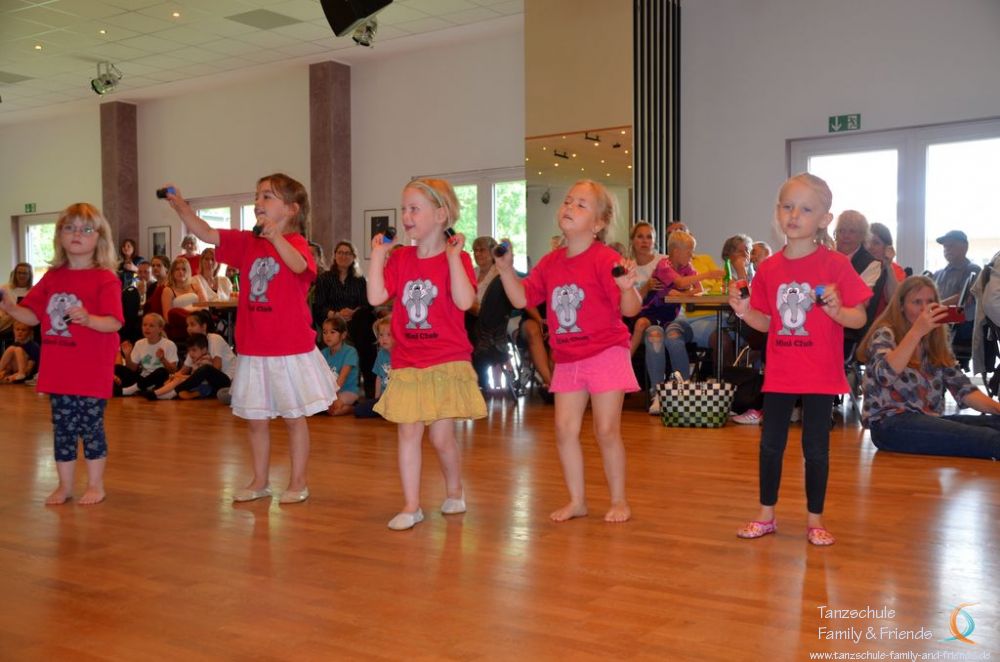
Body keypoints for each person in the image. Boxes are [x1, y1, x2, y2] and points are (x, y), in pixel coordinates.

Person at [163, 173, 336, 504]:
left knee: (294, 418)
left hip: (288, 349)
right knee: (256, 420)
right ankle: (259, 481)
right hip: (255, 348)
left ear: (291, 208)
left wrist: (275, 238)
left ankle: (298, 482)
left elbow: (299, 266)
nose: (258, 202)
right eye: (257, 196)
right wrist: (182, 208)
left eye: (267, 196)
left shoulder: (297, 244)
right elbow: (207, 233)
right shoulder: (247, 242)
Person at [729, 173, 870, 546]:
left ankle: (815, 519)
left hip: (821, 373)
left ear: (824, 219)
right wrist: (744, 311)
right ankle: (766, 514)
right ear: (778, 212)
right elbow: (767, 322)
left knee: (816, 448)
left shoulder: (835, 264)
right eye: (788, 206)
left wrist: (838, 311)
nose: (794, 215)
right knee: (770, 445)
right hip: (780, 371)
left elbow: (859, 318)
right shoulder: (769, 268)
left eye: (806, 209)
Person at [496, 179, 641, 523]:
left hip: (606, 352)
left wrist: (627, 288)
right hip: (569, 358)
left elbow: (631, 310)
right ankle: (578, 501)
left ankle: (619, 500)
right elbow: (522, 298)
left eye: (581, 204)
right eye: (568, 201)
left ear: (599, 223)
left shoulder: (605, 259)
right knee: (564, 430)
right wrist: (504, 270)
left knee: (606, 430)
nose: (569, 207)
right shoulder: (550, 263)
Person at [367, 177, 487, 530]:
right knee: (408, 433)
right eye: (404, 209)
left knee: (440, 437)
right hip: (407, 360)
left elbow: (465, 301)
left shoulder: (458, 258)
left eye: (414, 209)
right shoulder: (401, 258)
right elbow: (376, 297)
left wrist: (452, 259)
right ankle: (411, 505)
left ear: (440, 214)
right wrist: (379, 255)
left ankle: (455, 489)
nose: (406, 216)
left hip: (446, 359)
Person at [0, 203, 123, 505]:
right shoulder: (53, 277)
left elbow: (114, 322)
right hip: (59, 370)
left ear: (99, 238)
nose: (77, 234)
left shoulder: (105, 278)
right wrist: (11, 307)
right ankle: (65, 486)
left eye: (86, 229)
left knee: (91, 427)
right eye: (70, 228)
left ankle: (95, 485)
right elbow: (32, 315)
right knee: (63, 429)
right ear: (60, 236)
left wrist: (88, 319)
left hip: (91, 370)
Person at [857, 275, 1000, 459]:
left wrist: (997, 408)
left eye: (930, 302)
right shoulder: (885, 334)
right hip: (889, 424)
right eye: (917, 302)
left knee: (995, 424)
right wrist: (916, 332)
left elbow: (963, 389)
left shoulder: (934, 340)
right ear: (901, 307)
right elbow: (885, 375)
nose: (925, 309)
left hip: (926, 419)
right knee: (988, 438)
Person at [313, 241, 377, 399]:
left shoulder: (359, 280)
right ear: (335, 256)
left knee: (365, 320)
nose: (343, 256)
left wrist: (353, 312)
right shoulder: (325, 278)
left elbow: (367, 304)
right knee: (354, 329)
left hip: (356, 322)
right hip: (333, 322)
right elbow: (319, 306)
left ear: (353, 257)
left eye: (347, 253)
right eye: (340, 252)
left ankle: (370, 388)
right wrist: (336, 314)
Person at [661, 230, 726, 380]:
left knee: (726, 334)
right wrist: (707, 275)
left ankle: (716, 382)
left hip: (687, 316)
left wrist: (683, 294)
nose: (692, 255)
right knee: (674, 336)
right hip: (668, 317)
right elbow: (680, 283)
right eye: (689, 251)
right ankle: (683, 382)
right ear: (676, 251)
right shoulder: (664, 265)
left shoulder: (688, 267)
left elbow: (699, 289)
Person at [148, 309, 235, 400]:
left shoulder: (214, 338)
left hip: (228, 381)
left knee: (206, 369)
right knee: (177, 378)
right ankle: (160, 392)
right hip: (210, 383)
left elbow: (217, 367)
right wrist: (173, 377)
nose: (189, 328)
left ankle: (172, 393)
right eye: (188, 325)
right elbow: (183, 370)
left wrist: (189, 377)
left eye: (192, 325)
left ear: (204, 326)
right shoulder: (195, 345)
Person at [932, 229, 980, 347]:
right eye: (945, 247)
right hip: (941, 319)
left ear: (965, 247)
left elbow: (964, 298)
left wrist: (935, 306)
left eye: (951, 246)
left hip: (961, 323)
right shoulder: (938, 273)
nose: (947, 249)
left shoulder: (973, 269)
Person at [626, 221, 667, 355]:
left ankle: (625, 361)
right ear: (632, 241)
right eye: (640, 236)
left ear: (654, 241)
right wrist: (645, 288)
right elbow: (627, 304)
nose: (644, 241)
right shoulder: (628, 267)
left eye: (649, 237)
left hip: (663, 314)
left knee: (652, 333)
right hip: (636, 316)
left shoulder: (664, 261)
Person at [115, 312, 178, 395]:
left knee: (162, 372)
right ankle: (143, 388)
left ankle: (134, 389)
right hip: (142, 378)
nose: (147, 328)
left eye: (151, 326)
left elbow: (173, 370)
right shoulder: (139, 343)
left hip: (159, 379)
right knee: (117, 368)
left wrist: (163, 359)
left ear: (160, 329)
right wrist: (127, 355)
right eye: (144, 325)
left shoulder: (169, 344)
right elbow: (132, 369)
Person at [354, 315, 393, 419]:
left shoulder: (401, 355)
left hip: (399, 398)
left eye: (389, 335)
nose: (384, 338)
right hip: (384, 399)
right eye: (381, 335)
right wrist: (377, 399)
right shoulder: (381, 354)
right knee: (359, 410)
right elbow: (379, 377)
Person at [321, 315, 360, 415]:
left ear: (343, 335)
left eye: (332, 332)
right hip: (330, 393)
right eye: (325, 332)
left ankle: (352, 408)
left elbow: (342, 377)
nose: (328, 336)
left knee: (334, 408)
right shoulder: (323, 353)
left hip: (348, 391)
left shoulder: (350, 352)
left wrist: (332, 397)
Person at [865, 222, 905, 318]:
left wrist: (888, 265)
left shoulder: (896, 270)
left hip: (883, 322)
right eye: (867, 242)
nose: (870, 247)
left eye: (876, 243)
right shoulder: (859, 266)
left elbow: (894, 300)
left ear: (887, 248)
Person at [0, 262, 33, 340]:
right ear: (15, 274)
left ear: (29, 275)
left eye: (25, 273)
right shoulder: (4, 288)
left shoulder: (34, 291)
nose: (21, 275)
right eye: (19, 273)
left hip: (25, 327)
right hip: (6, 324)